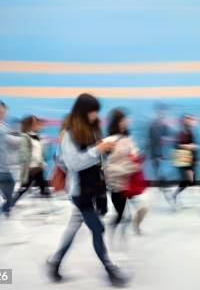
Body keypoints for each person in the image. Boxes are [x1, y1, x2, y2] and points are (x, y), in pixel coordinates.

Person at [47, 93, 128, 286]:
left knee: (74, 226)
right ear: (82, 112)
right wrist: (97, 150)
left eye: (96, 112)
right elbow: (74, 163)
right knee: (98, 229)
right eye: (92, 112)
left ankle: (54, 261)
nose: (95, 116)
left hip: (95, 187)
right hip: (80, 191)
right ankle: (110, 268)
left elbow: (97, 160)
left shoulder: (93, 129)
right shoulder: (69, 133)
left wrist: (106, 151)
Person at [103, 109, 148, 234]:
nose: (126, 122)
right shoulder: (109, 141)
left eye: (126, 120)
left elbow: (135, 155)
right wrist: (128, 167)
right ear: (117, 123)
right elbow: (107, 166)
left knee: (143, 207)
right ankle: (110, 236)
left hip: (130, 183)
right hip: (117, 185)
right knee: (120, 216)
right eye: (123, 120)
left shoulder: (128, 139)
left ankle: (135, 227)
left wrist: (137, 159)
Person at [12, 115, 50, 205]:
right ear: (30, 125)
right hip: (31, 168)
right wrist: (28, 164)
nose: (37, 124)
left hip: (37, 167)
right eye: (35, 123)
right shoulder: (25, 136)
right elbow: (24, 152)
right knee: (24, 188)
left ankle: (50, 206)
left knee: (43, 187)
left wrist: (42, 163)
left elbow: (38, 152)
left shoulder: (36, 136)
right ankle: (9, 205)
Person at [171, 114, 199, 204]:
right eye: (188, 119)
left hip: (188, 158)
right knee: (189, 180)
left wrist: (194, 148)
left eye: (191, 119)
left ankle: (175, 194)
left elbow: (192, 145)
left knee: (189, 180)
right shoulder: (182, 132)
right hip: (183, 157)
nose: (190, 120)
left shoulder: (190, 131)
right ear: (184, 121)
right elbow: (177, 145)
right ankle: (175, 194)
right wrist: (189, 146)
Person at [147, 103, 170, 182]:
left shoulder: (163, 124)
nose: (162, 114)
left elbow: (166, 136)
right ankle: (158, 178)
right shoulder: (154, 124)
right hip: (155, 149)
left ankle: (159, 177)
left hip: (160, 150)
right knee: (156, 164)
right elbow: (150, 137)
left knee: (159, 164)